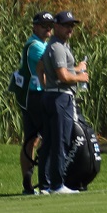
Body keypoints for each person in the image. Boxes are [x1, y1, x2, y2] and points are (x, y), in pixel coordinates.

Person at [32, 11, 88, 195]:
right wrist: (81, 77)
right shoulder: (57, 47)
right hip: (59, 98)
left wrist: (45, 85)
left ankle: (45, 186)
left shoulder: (57, 46)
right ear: (56, 26)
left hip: (51, 96)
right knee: (60, 141)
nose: (70, 29)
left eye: (72, 25)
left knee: (49, 142)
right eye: (66, 25)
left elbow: (40, 67)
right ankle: (57, 185)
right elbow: (63, 75)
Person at [19, 12, 54, 195]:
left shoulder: (42, 44)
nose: (48, 28)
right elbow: (52, 68)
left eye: (50, 25)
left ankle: (29, 181)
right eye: (43, 25)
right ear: (34, 27)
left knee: (32, 140)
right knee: (48, 136)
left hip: (29, 96)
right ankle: (44, 181)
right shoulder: (35, 46)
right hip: (36, 96)